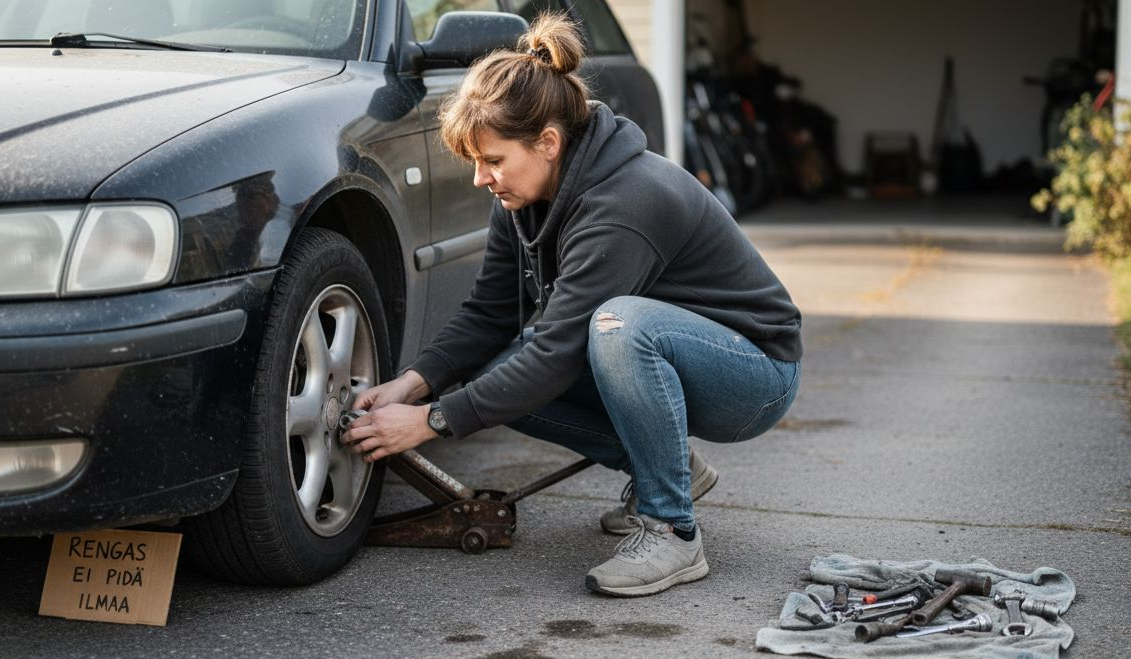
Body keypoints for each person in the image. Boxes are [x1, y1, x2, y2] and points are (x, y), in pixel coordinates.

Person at [341, 12, 802, 597]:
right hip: (676, 358)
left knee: (620, 325)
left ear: (549, 142)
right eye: (476, 163)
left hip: (753, 376)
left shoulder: (625, 202)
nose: (482, 178)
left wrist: (431, 422)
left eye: (494, 161)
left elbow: (558, 350)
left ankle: (672, 530)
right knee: (489, 373)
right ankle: (665, 469)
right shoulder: (524, 193)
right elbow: (488, 314)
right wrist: (412, 384)